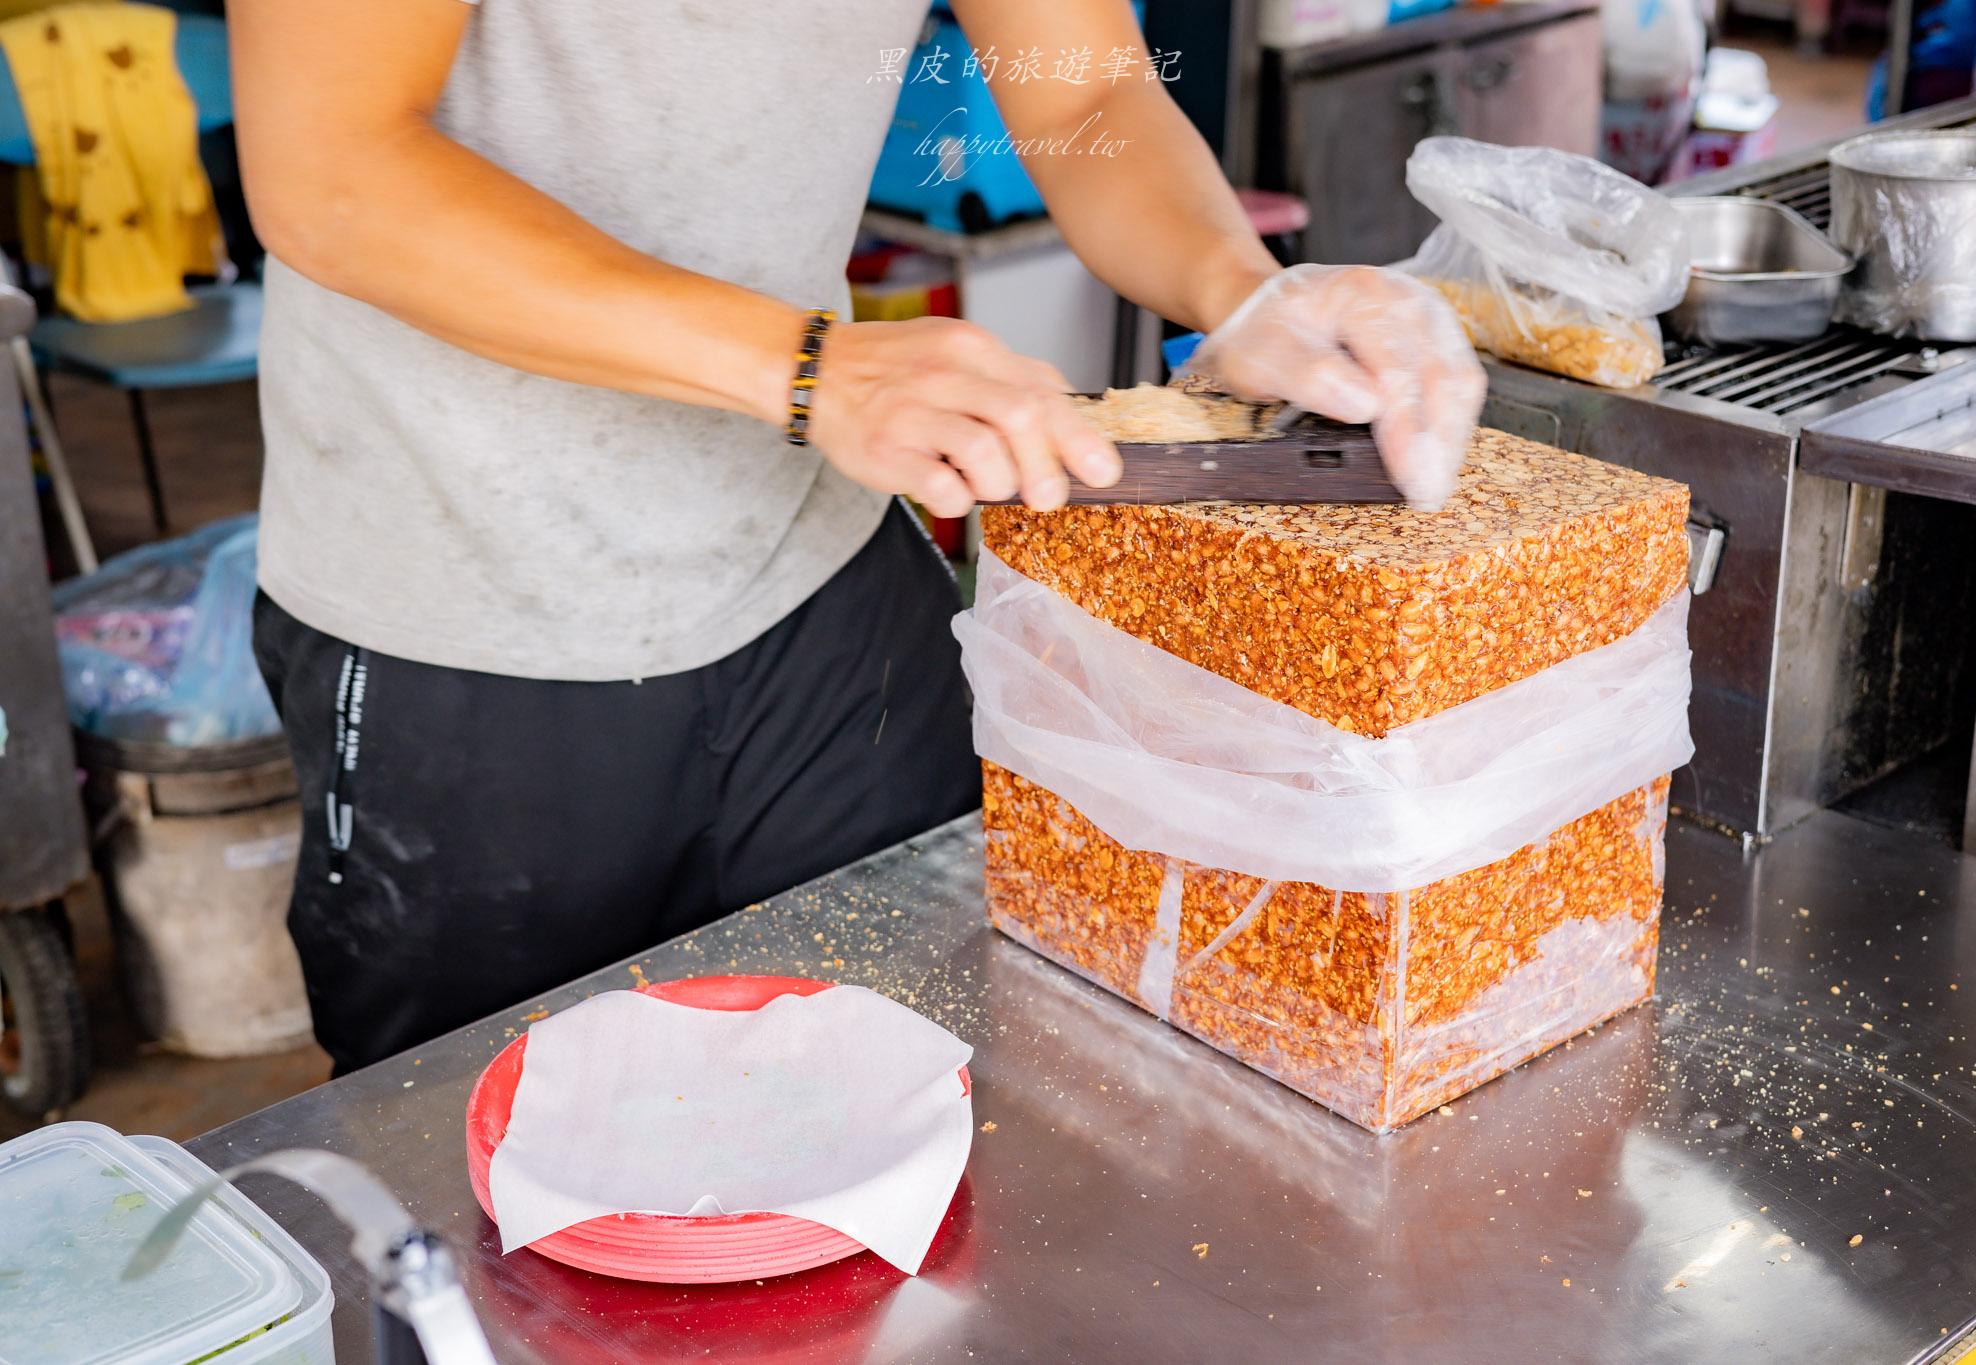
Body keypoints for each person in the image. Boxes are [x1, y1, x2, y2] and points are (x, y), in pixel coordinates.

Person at [228, 0, 1485, 1073]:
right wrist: (809, 370)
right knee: (501, 1176)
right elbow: (334, 169)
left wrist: (1240, 287)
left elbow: (1083, 84)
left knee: (913, 1084)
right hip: (467, 616)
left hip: (818, 574)